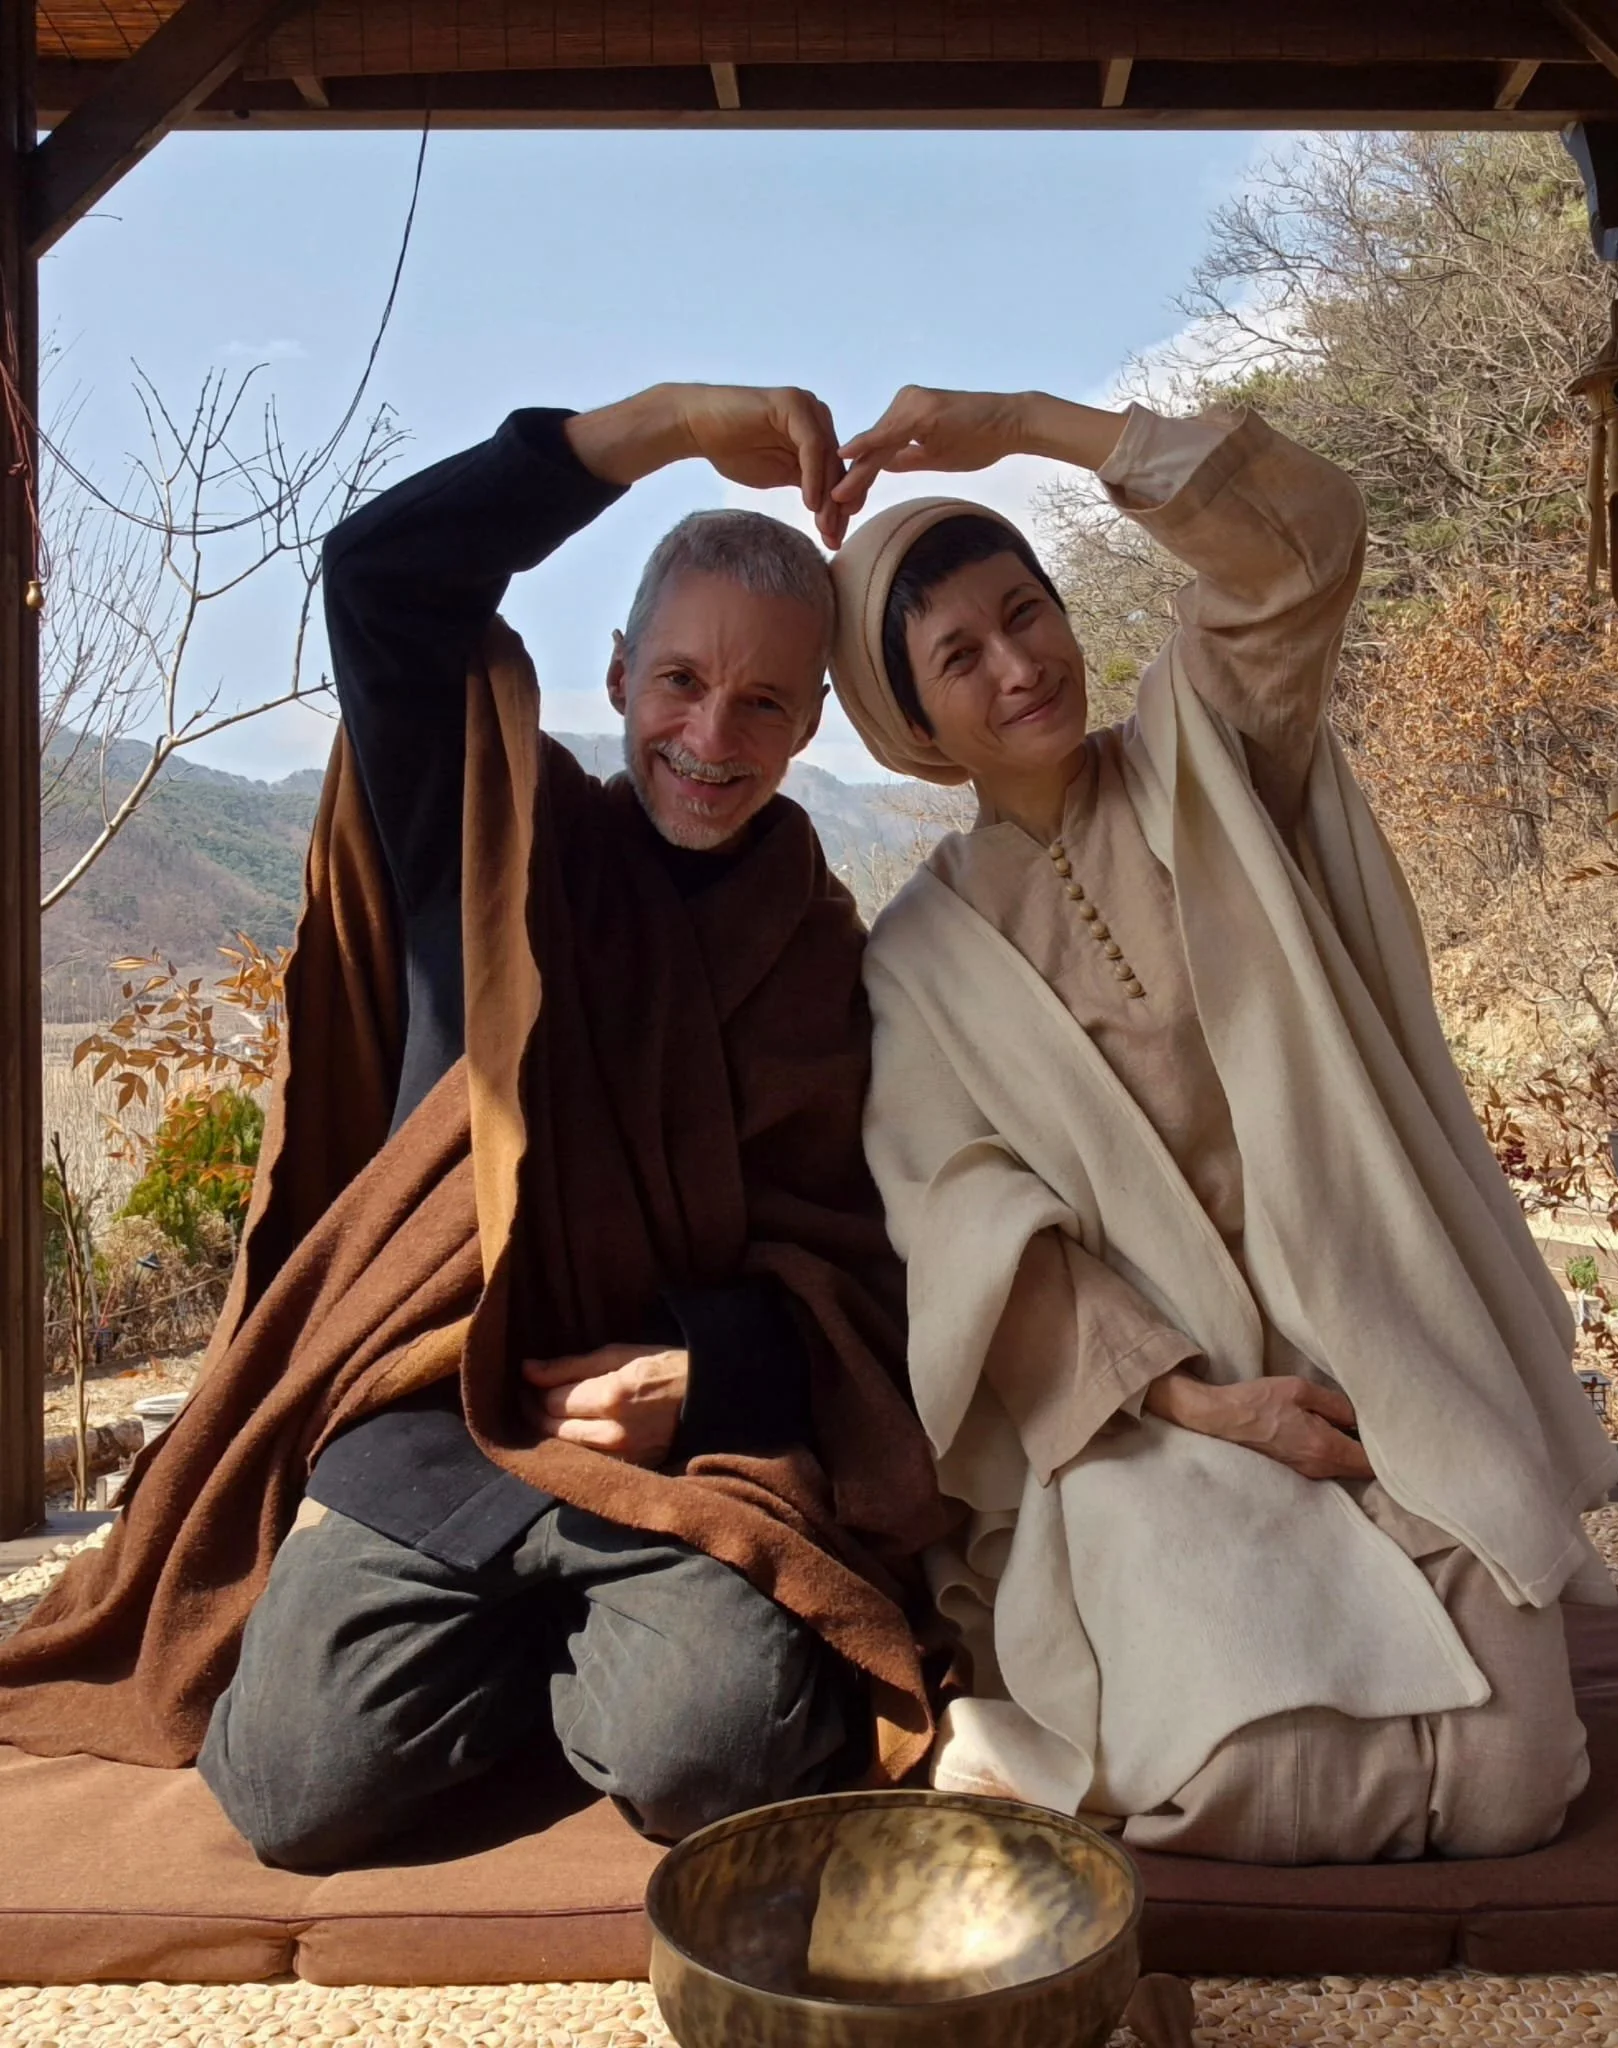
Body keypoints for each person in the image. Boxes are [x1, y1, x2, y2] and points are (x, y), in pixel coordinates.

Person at [0, 385, 945, 1872]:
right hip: (439, 1411)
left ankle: (608, 1667)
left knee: (723, 1759)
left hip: (676, 1460)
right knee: (300, 1790)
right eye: (681, 681)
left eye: (764, 702)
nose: (712, 735)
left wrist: (708, 1373)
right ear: (622, 671)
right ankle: (536, 1665)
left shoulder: (820, 947)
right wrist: (671, 425)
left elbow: (848, 1240)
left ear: (814, 719)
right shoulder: (495, 841)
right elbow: (385, 574)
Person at [822, 386, 1618, 1864]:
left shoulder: (1214, 749)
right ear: (913, 724)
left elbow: (1302, 542)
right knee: (1232, 1785)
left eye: (1028, 612)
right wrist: (1202, 1404)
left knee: (1522, 1785)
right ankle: (1057, 1715)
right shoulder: (919, 959)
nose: (1018, 666)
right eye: (960, 655)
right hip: (1152, 1416)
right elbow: (969, 1221)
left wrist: (1027, 425)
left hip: (1379, 1347)